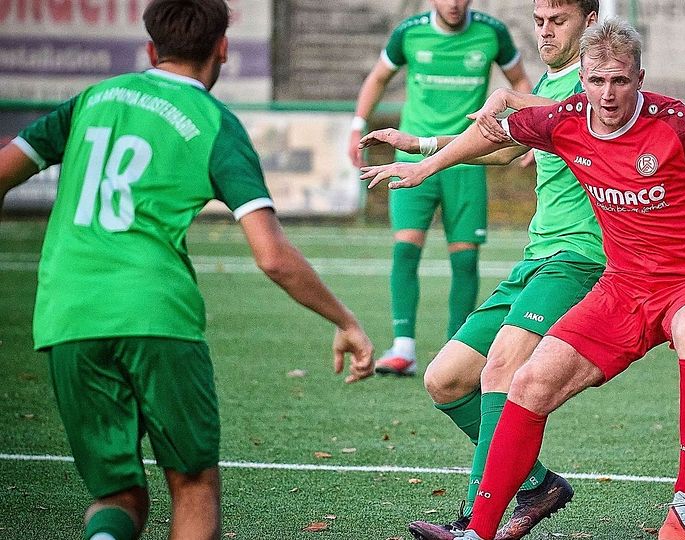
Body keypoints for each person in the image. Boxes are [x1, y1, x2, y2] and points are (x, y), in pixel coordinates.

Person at [361, 17, 685, 540]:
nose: (607, 94)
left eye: (620, 81)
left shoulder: (676, 123)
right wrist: (427, 161)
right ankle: (480, 531)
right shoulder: (565, 118)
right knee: (527, 381)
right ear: (582, 78)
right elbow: (492, 136)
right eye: (596, 81)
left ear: (640, 78)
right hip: (624, 284)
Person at [0, 1, 374, 539]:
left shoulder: (91, 100)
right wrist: (346, 320)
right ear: (222, 47)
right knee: (193, 484)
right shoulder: (215, 124)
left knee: (116, 495)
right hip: (158, 317)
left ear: (151, 49)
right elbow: (272, 255)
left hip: (66, 317)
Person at [359, 2, 600, 538]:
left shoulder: (598, 81)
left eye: (558, 21)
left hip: (581, 257)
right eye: (539, 21)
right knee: (444, 380)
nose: (545, 32)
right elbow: (503, 146)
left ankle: (474, 522)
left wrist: (435, 157)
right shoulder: (550, 79)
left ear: (590, 17)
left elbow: (579, 115)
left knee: (500, 370)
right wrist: (421, 145)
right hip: (537, 257)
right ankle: (537, 485)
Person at [348, 0, 531, 377]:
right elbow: (378, 77)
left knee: (464, 258)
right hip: (412, 156)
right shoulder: (409, 32)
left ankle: (455, 348)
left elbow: (520, 82)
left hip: (467, 157)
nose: (454, 3)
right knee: (406, 247)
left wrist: (529, 134)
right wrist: (357, 123)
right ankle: (403, 348)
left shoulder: (492, 32)